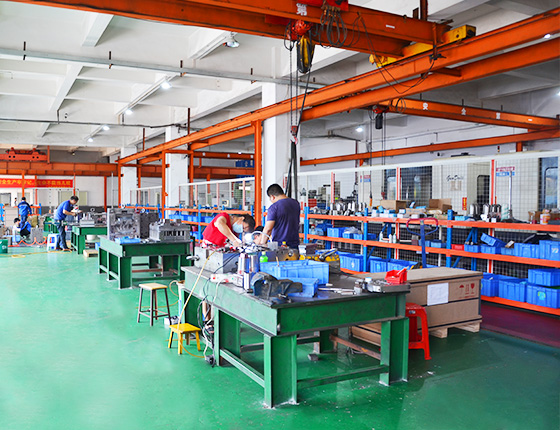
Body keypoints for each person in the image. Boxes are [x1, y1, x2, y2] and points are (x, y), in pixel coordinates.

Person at [256, 184, 301, 248]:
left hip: (280, 246)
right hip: (295, 244)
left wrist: (262, 244)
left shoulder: (274, 207)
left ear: (272, 197)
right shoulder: (296, 203)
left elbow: (268, 229)